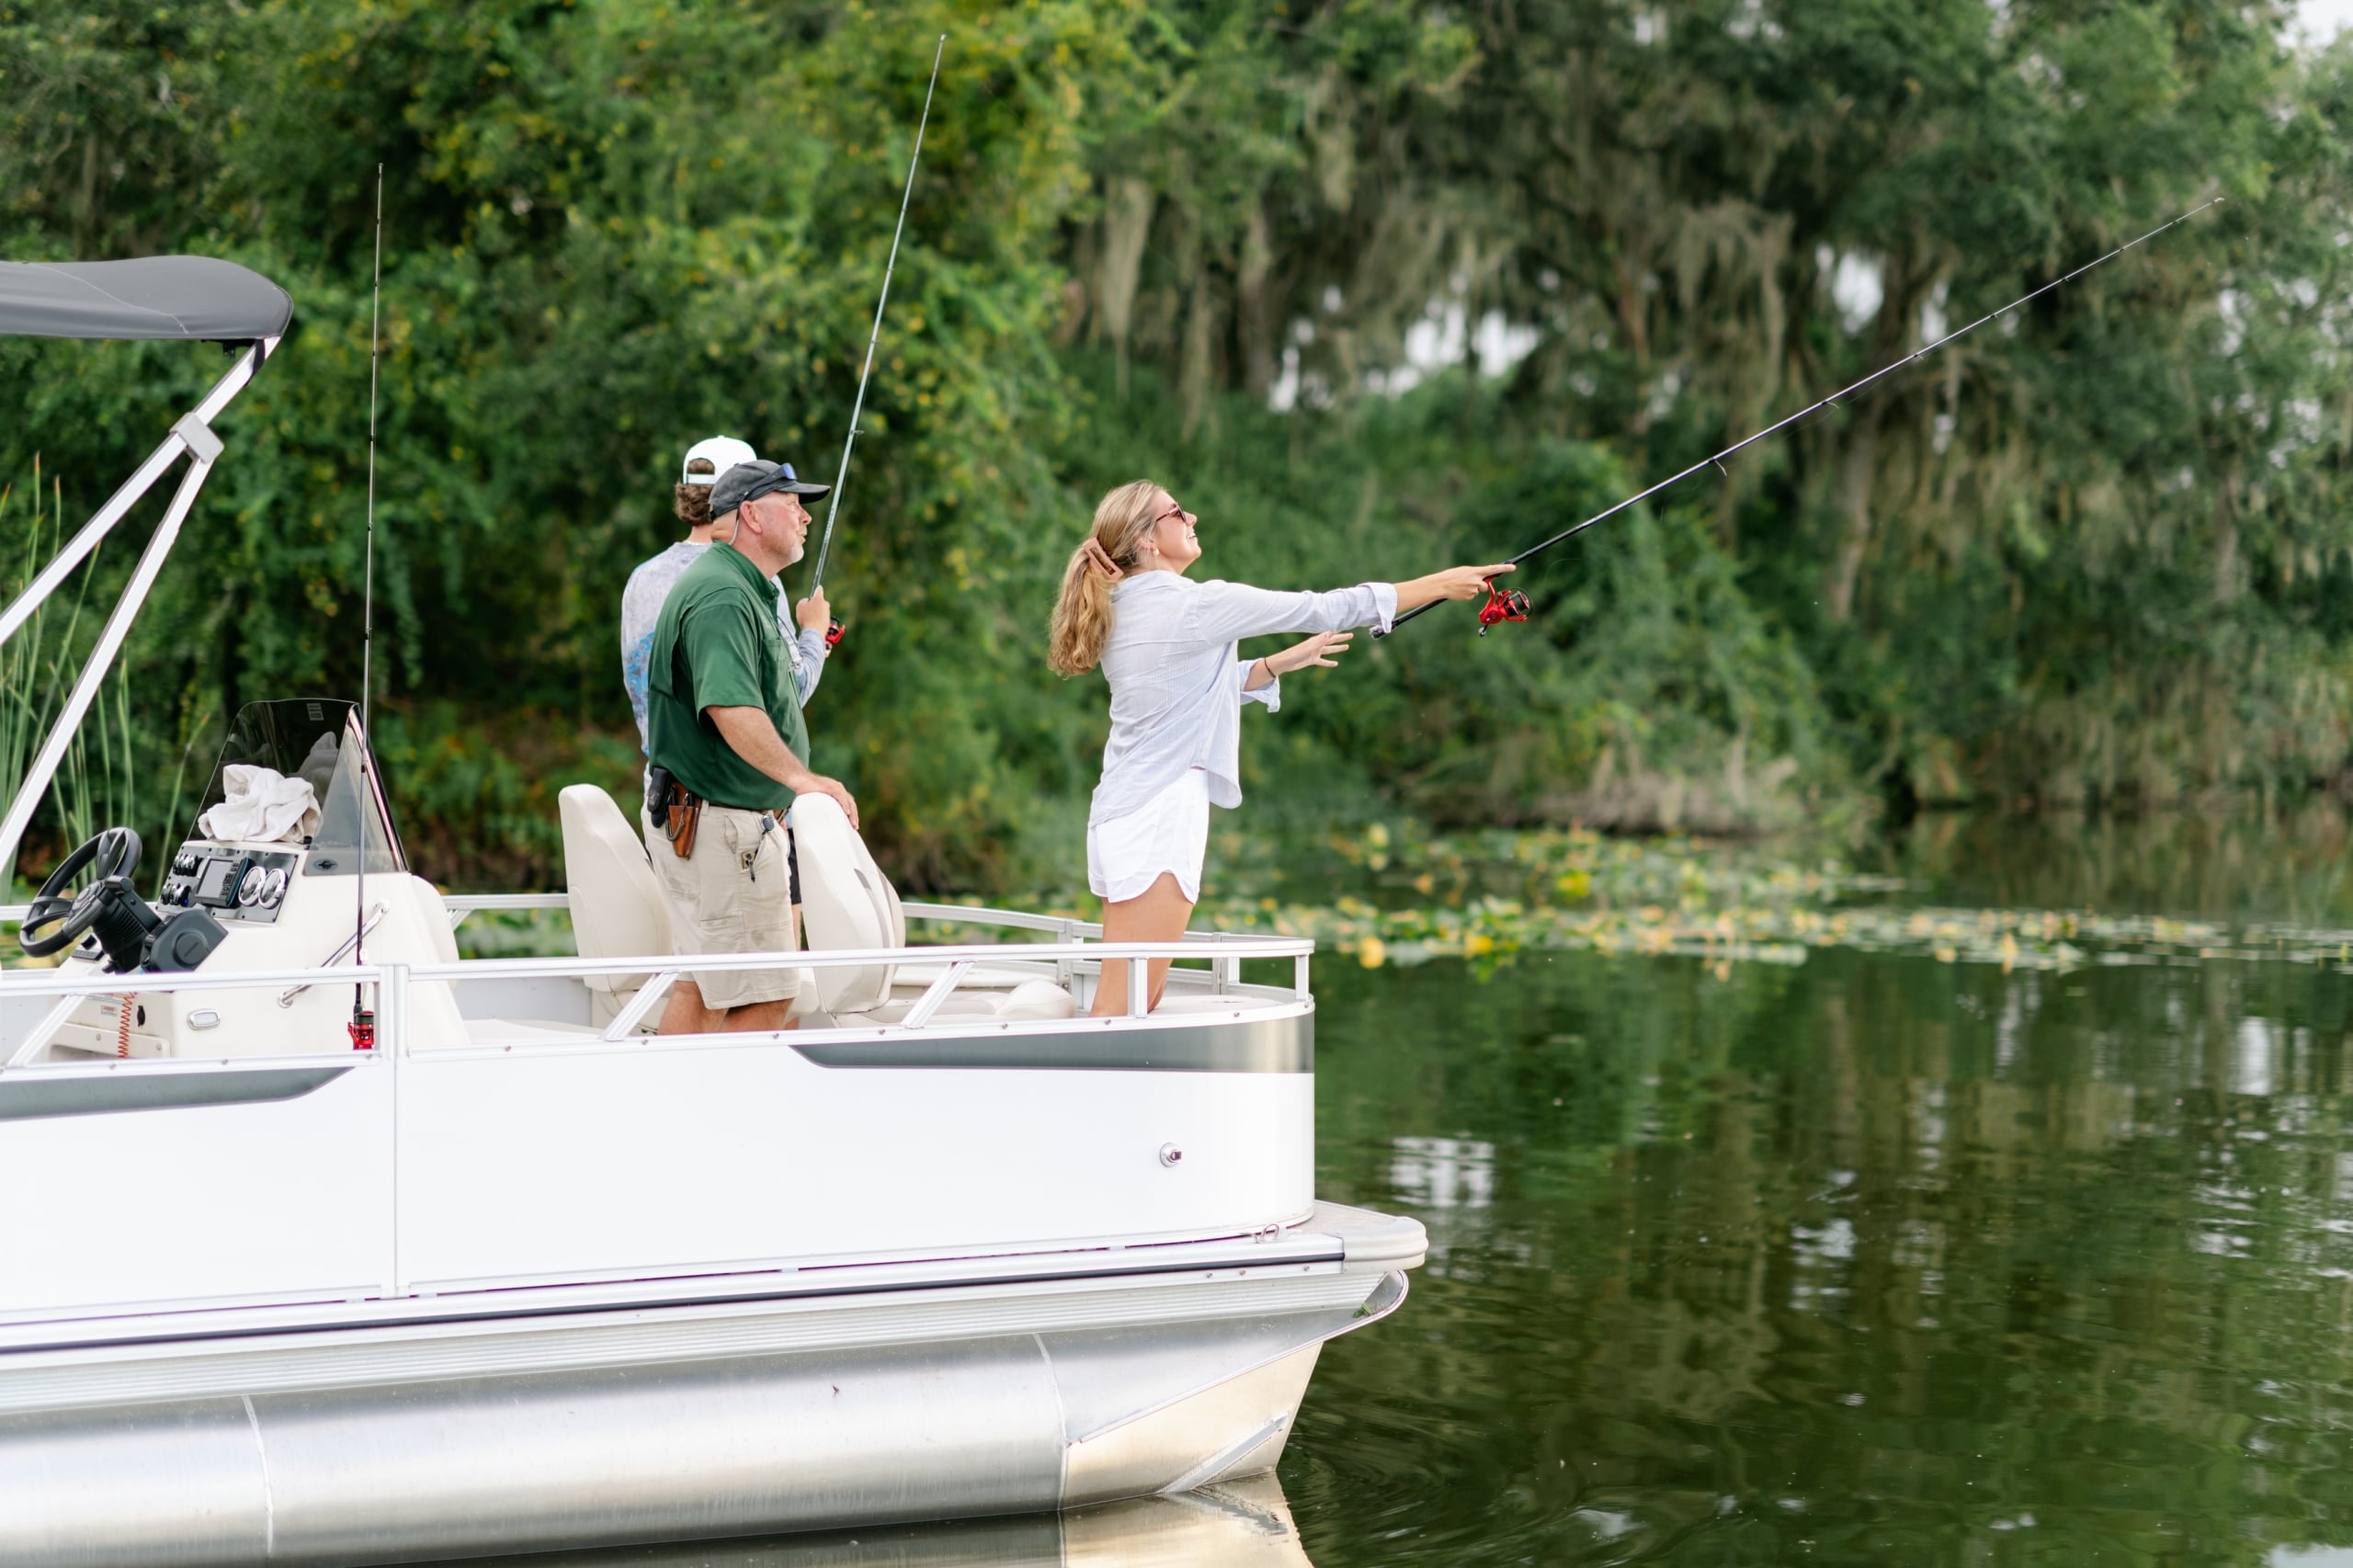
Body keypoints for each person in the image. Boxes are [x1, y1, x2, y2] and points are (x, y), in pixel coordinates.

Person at [1048, 480, 1511, 1017]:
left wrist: (1277, 665)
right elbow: (1325, 607)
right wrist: (1438, 584)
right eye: (1177, 512)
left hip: (1120, 815)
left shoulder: (1124, 608)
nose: (1192, 516)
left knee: (1133, 999)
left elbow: (1184, 691)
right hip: (1159, 817)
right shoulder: (1197, 605)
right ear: (1148, 540)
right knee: (1124, 1005)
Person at [642, 459, 860, 1035]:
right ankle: (729, 1120)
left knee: (703, 987)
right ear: (750, 515)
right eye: (790, 502)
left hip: (705, 822)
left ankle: (677, 1115)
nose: (805, 517)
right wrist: (804, 782)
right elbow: (730, 709)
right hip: (722, 829)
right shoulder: (722, 596)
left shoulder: (746, 587)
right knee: (766, 998)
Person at [621, 436, 834, 754]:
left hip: (660, 792)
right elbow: (789, 697)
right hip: (732, 795)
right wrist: (814, 633)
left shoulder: (641, 578)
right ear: (745, 504)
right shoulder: (748, 576)